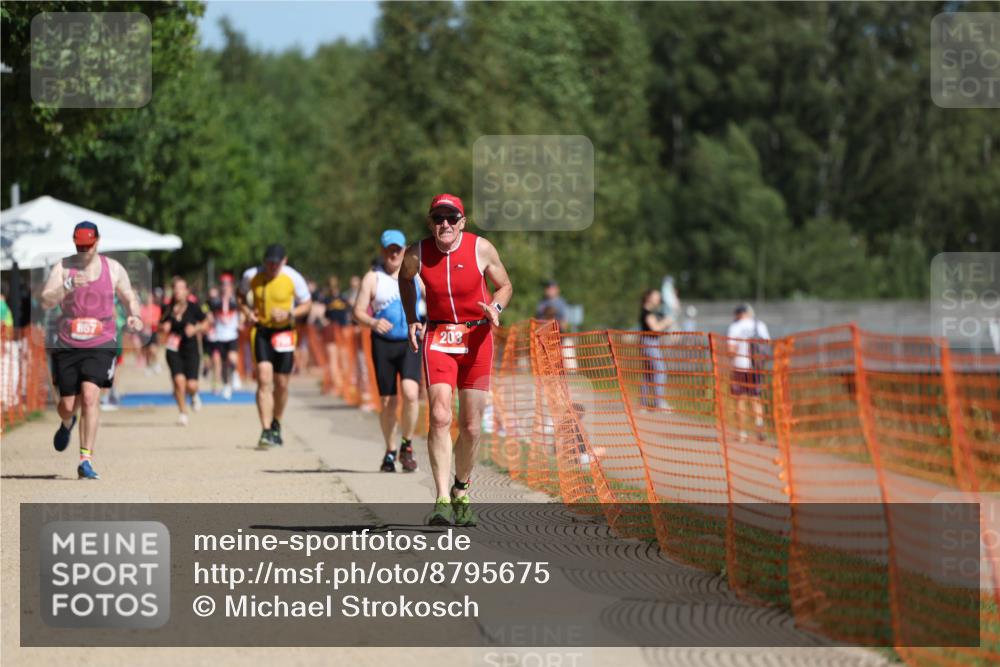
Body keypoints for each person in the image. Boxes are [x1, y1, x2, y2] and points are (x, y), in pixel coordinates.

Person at [400, 193, 513, 526]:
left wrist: (496, 307)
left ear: (463, 222)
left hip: (477, 338)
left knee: (472, 426)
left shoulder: (481, 248)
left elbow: (505, 285)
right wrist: (411, 318)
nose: (445, 225)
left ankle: (461, 489)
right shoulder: (417, 253)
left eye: (451, 218)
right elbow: (404, 280)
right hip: (438, 337)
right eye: (438, 219)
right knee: (438, 415)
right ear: (430, 223)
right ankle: (441, 499)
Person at [39, 221, 143, 480]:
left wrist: (135, 315)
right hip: (68, 344)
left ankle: (86, 459)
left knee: (89, 397)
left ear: (98, 241)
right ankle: (66, 422)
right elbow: (45, 301)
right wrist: (67, 286)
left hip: (101, 342)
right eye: (79, 245)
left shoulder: (113, 268)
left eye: (88, 245)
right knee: (66, 405)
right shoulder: (63, 268)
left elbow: (130, 295)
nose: (84, 250)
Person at [354, 230, 424, 473]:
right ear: (383, 251)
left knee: (411, 393)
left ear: (405, 249)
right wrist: (373, 322)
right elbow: (358, 311)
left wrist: (429, 323)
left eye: (398, 249)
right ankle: (390, 450)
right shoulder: (372, 278)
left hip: (410, 341)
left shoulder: (415, 275)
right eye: (389, 249)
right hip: (383, 343)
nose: (393, 254)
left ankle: (407, 445)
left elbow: (434, 301)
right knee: (388, 401)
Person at [239, 244, 312, 448]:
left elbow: (307, 304)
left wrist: (290, 314)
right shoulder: (251, 276)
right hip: (261, 331)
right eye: (269, 262)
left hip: (285, 332)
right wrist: (247, 312)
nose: (272, 267)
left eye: (276, 263)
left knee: (281, 383)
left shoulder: (293, 278)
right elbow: (240, 295)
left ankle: (276, 422)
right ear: (264, 262)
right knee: (263, 379)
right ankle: (265, 430)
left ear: (284, 261)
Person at [159, 277, 208, 425]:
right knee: (179, 382)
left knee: (191, 385)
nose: (178, 291)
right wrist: (163, 328)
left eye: (181, 288)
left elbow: (206, 323)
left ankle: (193, 395)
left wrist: (196, 328)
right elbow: (159, 325)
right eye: (176, 288)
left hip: (191, 349)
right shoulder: (167, 308)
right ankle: (183, 413)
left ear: (187, 291)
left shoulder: (194, 307)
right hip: (173, 350)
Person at [727, 303, 771, 442]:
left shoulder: (735, 327)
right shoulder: (759, 325)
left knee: (740, 400)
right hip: (755, 367)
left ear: (738, 314)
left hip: (739, 366)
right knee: (755, 399)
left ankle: (742, 433)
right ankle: (759, 427)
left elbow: (730, 350)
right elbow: (767, 345)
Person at [206, 273, 241, 400]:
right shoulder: (215, 301)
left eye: (227, 285)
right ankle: (226, 385)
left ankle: (236, 373)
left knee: (232, 359)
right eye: (223, 285)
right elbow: (210, 316)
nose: (225, 287)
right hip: (220, 336)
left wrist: (241, 321)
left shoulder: (236, 301)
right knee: (224, 364)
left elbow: (241, 313)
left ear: (231, 286)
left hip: (232, 335)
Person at [639, 289, 673, 410]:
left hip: (648, 342)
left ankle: (643, 403)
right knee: (660, 370)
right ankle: (659, 402)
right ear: (649, 297)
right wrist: (667, 322)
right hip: (649, 343)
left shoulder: (650, 312)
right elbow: (655, 329)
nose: (658, 299)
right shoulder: (647, 313)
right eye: (656, 296)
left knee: (648, 374)